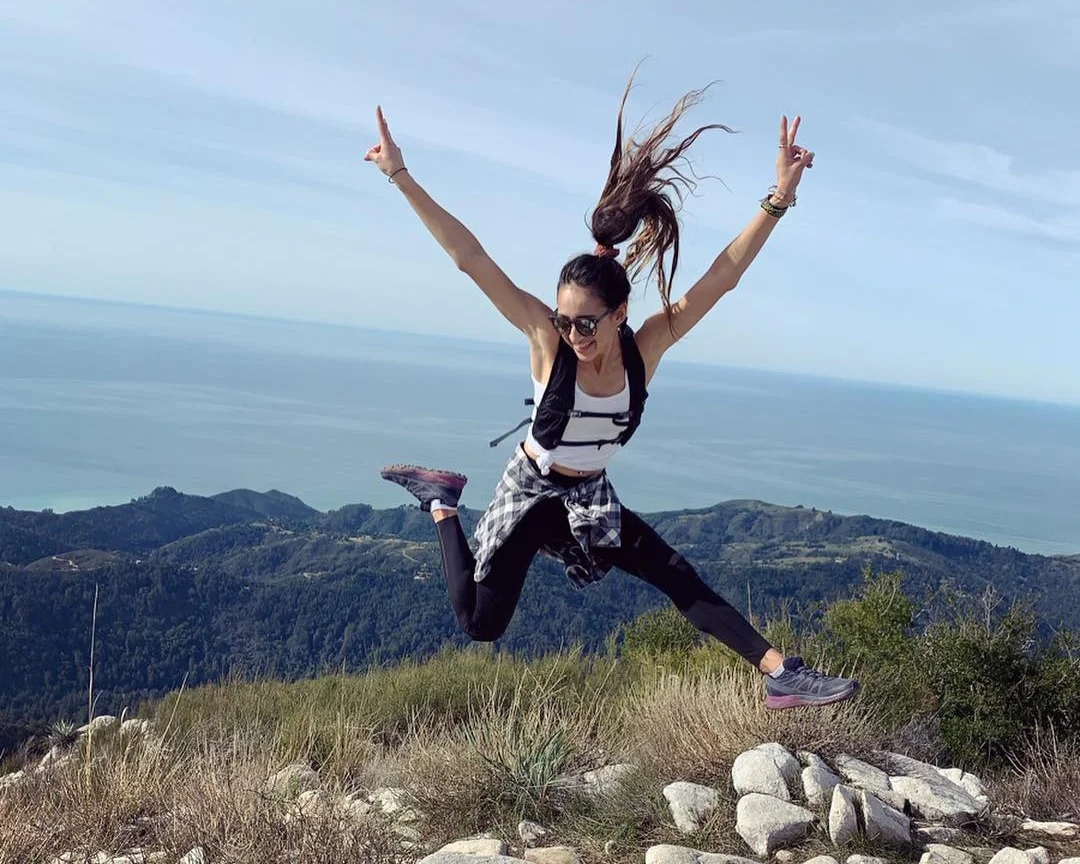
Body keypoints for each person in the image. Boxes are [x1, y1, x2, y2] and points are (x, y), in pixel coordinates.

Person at [364, 75, 858, 710]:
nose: (573, 334)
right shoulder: (547, 342)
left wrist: (779, 198)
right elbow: (471, 258)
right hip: (533, 492)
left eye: (586, 323)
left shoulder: (644, 348)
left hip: (589, 493)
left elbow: (722, 277)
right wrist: (400, 175)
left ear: (620, 313)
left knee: (672, 571)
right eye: (565, 320)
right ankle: (441, 503)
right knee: (480, 623)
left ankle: (781, 672)